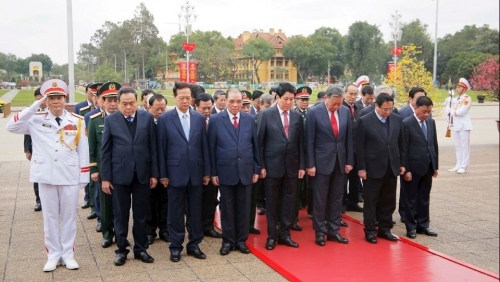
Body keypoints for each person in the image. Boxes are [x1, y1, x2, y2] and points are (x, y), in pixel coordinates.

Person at [7, 79, 89, 271]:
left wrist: (83, 176)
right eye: (51, 98)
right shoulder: (35, 119)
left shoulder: (77, 120)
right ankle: (53, 255)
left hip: (68, 174)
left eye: (59, 97)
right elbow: (11, 126)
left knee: (69, 217)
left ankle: (68, 254)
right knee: (50, 218)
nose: (56, 101)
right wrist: (35, 106)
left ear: (65, 98)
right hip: (46, 175)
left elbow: (83, 151)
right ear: (46, 100)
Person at [100, 86, 158, 266]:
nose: (128, 107)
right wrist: (106, 178)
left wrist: (154, 174)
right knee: (121, 215)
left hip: (142, 175)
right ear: (118, 103)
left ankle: (141, 249)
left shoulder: (147, 118)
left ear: (137, 102)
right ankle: (121, 250)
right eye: (124, 104)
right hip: (119, 176)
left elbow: (153, 148)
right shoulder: (111, 121)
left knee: (141, 215)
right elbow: (105, 151)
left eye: (132, 103)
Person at [157, 82, 211, 262]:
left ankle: (194, 244)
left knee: (196, 212)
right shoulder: (165, 119)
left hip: (196, 173)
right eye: (182, 98)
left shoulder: (198, 118)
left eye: (188, 97)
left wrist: (206, 172)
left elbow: (204, 147)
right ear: (175, 98)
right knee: (175, 213)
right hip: (174, 174)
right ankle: (175, 246)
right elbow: (161, 149)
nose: (186, 101)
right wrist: (163, 174)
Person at [208, 88, 260, 256]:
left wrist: (256, 169)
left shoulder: (249, 119)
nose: (236, 105)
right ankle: (228, 241)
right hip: (225, 171)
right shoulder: (215, 120)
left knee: (244, 209)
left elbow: (255, 146)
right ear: (225, 101)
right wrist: (213, 172)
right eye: (232, 102)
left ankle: (241, 241)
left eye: (239, 102)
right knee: (227, 208)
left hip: (245, 171)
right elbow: (211, 148)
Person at [257, 83, 305, 250]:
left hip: (291, 167)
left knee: (289, 202)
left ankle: (285, 234)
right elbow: (260, 143)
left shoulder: (297, 117)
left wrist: (302, 166)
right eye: (286, 99)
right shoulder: (266, 114)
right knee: (271, 203)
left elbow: (301, 143)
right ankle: (272, 236)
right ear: (277, 97)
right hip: (271, 167)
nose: (289, 102)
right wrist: (261, 166)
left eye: (292, 99)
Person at [305, 85, 354, 247]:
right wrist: (310, 164)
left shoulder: (345, 112)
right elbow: (309, 141)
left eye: (339, 104)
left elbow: (348, 139)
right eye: (334, 104)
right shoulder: (314, 112)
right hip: (320, 164)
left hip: (340, 162)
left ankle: (334, 230)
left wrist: (349, 162)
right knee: (320, 199)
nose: (337, 107)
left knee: (337, 198)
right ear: (326, 98)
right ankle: (320, 232)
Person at [356, 93, 405, 244]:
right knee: (371, 202)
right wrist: (361, 168)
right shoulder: (365, 120)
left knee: (388, 201)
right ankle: (370, 231)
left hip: (391, 167)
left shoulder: (396, 119)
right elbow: (360, 147)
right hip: (372, 169)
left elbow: (401, 144)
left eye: (390, 109)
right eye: (385, 109)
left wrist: (402, 164)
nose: (388, 112)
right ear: (376, 106)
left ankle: (385, 229)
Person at [87, 82, 121, 248]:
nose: (113, 103)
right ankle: (108, 234)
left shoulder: (126, 118)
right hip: (103, 169)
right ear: (102, 101)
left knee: (122, 204)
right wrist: (93, 169)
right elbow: (92, 148)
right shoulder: (94, 121)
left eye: (116, 99)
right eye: (109, 100)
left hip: (122, 168)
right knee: (106, 204)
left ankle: (122, 233)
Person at [402, 96, 439, 239]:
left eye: (429, 111)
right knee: (410, 199)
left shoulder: (431, 122)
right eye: (424, 111)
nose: (426, 114)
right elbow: (404, 148)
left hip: (427, 167)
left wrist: (435, 166)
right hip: (412, 168)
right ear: (416, 108)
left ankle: (423, 225)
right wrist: (406, 169)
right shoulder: (406, 123)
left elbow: (433, 145)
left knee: (424, 198)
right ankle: (411, 227)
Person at [397, 87, 428, 223]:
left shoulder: (426, 112)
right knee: (407, 190)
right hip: (408, 156)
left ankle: (418, 215)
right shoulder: (402, 112)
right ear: (410, 99)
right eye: (417, 98)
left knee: (421, 193)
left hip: (422, 160)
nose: (420, 100)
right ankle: (404, 212)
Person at [195, 93, 223, 239]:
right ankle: (196, 227)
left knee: (210, 199)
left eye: (208, 108)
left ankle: (208, 226)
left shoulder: (215, 121)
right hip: (195, 168)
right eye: (203, 108)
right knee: (195, 201)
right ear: (196, 106)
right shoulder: (193, 122)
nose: (206, 111)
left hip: (212, 167)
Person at [145, 94, 169, 246]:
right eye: (156, 109)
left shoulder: (168, 122)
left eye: (163, 109)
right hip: (149, 170)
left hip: (166, 168)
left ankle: (165, 229)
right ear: (149, 107)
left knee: (165, 200)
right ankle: (150, 231)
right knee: (150, 201)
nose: (160, 112)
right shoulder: (145, 122)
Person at [23, 87, 46, 212]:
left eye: (43, 99)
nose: (41, 102)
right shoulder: (31, 112)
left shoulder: (52, 111)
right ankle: (39, 200)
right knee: (37, 176)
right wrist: (27, 150)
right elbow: (27, 134)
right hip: (36, 150)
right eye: (38, 100)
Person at [342, 84, 363, 213]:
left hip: (357, 150)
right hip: (344, 150)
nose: (353, 97)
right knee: (343, 179)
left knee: (355, 178)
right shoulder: (340, 108)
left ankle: (353, 201)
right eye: (350, 94)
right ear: (345, 94)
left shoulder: (359, 108)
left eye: (355, 94)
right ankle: (342, 202)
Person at [293, 86, 312, 225]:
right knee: (296, 184)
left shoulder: (313, 113)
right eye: (302, 99)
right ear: (296, 100)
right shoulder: (293, 114)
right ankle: (296, 207)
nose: (304, 102)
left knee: (310, 184)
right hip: (297, 154)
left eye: (306, 99)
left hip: (310, 153)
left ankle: (310, 206)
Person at [446, 78, 472, 174]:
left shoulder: (467, 98)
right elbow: (448, 104)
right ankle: (458, 164)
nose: (457, 88)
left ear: (464, 89)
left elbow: (461, 112)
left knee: (465, 147)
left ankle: (464, 166)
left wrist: (451, 111)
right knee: (458, 147)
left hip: (464, 125)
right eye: (457, 87)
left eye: (459, 87)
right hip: (456, 125)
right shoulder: (457, 99)